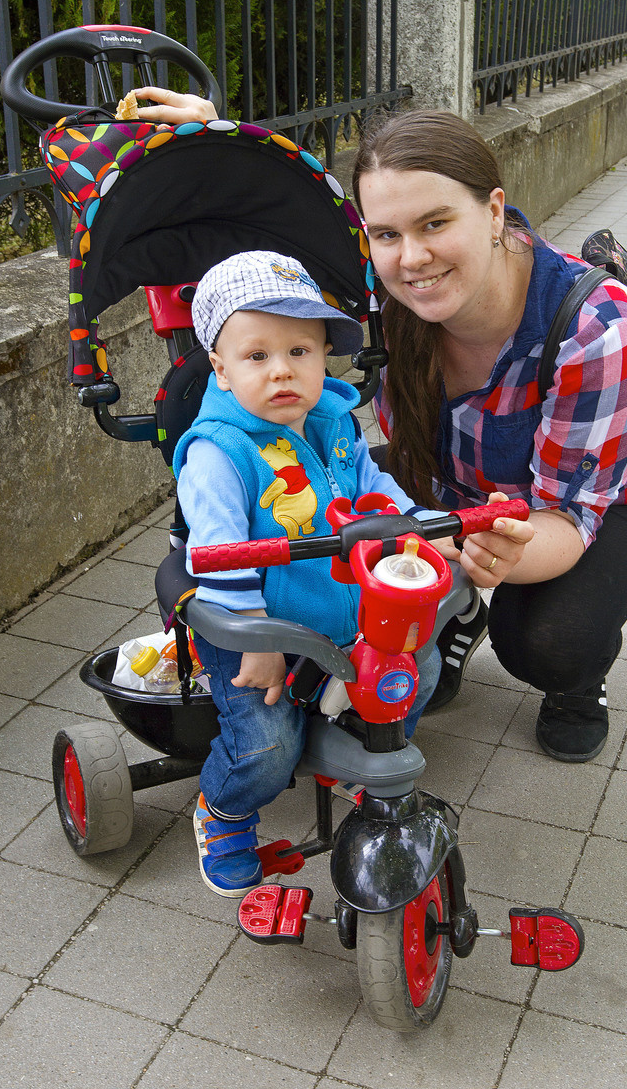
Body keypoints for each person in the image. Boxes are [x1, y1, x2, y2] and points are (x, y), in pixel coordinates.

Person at [136, 89, 627, 766]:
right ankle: (440, 618)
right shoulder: (385, 286)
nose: (411, 257)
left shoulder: (596, 324)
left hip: (585, 511)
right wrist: (215, 143)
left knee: (547, 639)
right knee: (304, 522)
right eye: (387, 235)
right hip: (450, 489)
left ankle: (576, 682)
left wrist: (473, 559)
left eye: (435, 223)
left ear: (495, 210)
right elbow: (289, 233)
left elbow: (566, 519)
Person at [172, 249, 461, 897]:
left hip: (350, 615)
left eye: (300, 351)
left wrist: (420, 523)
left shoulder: (332, 418)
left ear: (325, 352)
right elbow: (215, 556)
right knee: (267, 750)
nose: (282, 371)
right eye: (257, 356)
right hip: (261, 632)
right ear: (219, 366)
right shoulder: (218, 453)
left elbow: (371, 483)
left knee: (426, 670)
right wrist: (259, 640)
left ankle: (364, 753)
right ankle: (222, 808)